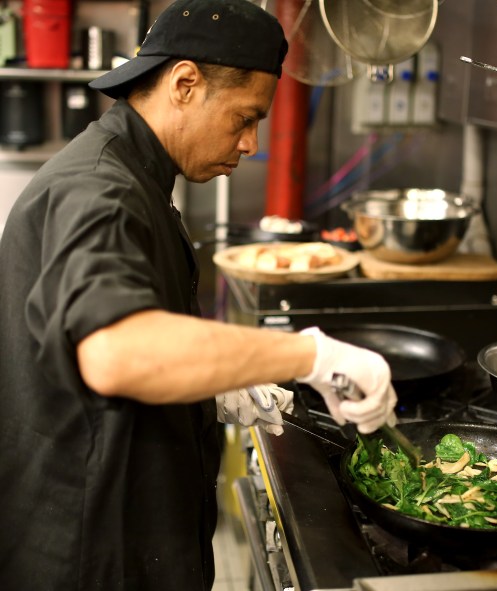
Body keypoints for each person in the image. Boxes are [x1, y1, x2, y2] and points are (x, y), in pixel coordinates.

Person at [0, 1, 397, 589]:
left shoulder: (133, 175)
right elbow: (118, 353)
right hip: (90, 555)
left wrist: (211, 383)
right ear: (185, 84)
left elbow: (99, 342)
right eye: (244, 118)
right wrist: (313, 357)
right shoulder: (100, 191)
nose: (251, 144)